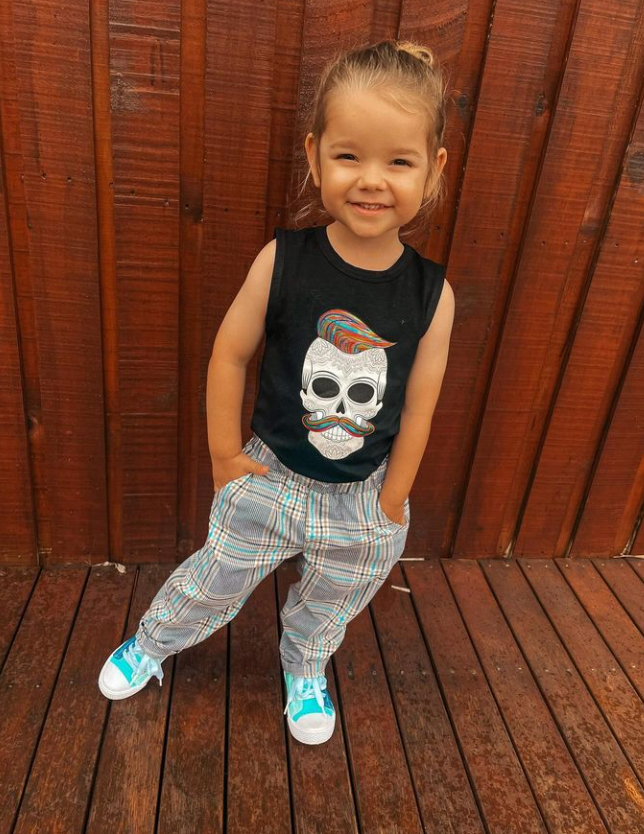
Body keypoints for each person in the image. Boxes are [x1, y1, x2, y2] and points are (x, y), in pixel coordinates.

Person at [98, 39, 455, 747]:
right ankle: (154, 640)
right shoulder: (282, 261)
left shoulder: (430, 295)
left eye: (399, 161)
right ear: (315, 156)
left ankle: (305, 666)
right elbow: (229, 354)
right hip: (269, 477)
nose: (372, 180)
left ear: (433, 169)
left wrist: (391, 499)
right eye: (349, 155)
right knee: (213, 578)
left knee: (331, 602)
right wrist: (224, 456)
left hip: (364, 497)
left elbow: (419, 405)